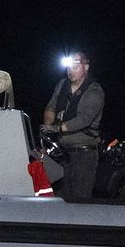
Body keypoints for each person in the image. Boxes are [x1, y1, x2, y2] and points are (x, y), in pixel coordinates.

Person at [41, 51, 104, 198]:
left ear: (86, 67)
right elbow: (51, 106)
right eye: (69, 67)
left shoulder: (95, 91)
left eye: (76, 66)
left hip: (84, 155)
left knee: (80, 199)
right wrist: (47, 129)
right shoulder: (62, 84)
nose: (71, 71)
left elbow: (84, 119)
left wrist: (57, 128)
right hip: (63, 153)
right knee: (60, 197)